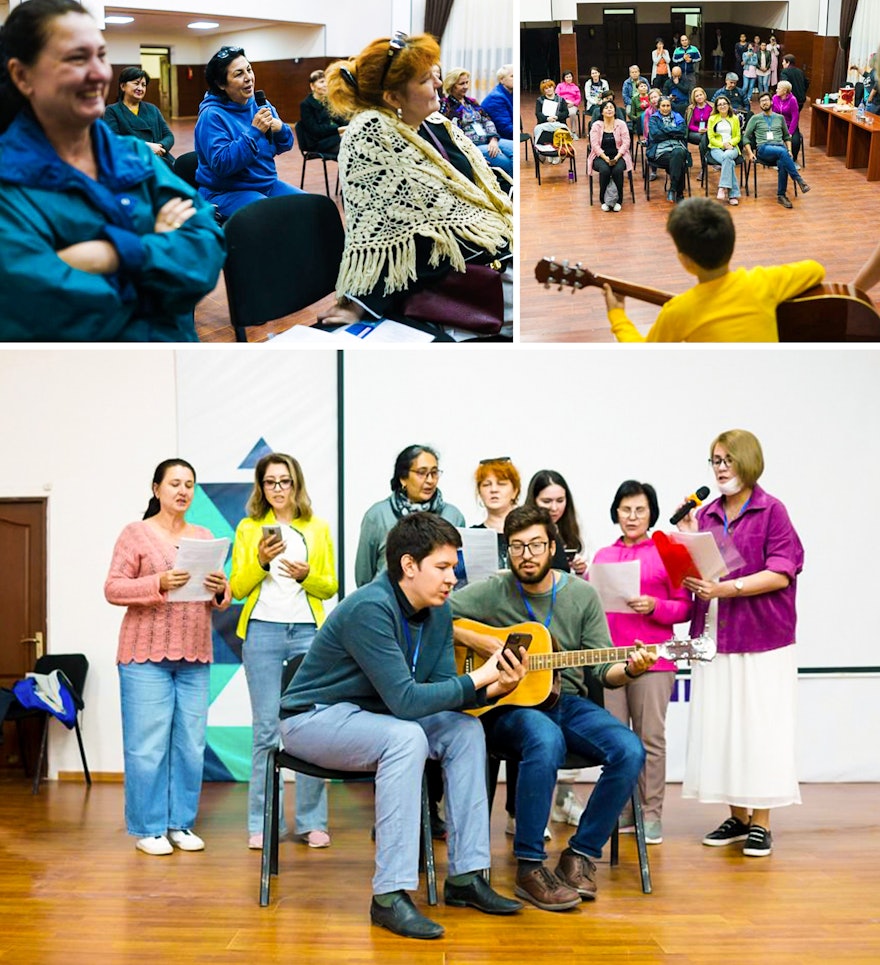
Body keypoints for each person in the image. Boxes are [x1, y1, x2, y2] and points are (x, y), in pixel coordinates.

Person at [280, 513, 525, 939]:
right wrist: (480, 677)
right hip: (314, 717)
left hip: (376, 716)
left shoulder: (437, 612)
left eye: (454, 566)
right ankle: (389, 896)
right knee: (406, 736)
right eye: (443, 567)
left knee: (464, 730)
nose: (453, 578)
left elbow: (440, 691)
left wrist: (496, 688)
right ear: (409, 566)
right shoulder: (369, 608)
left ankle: (467, 876)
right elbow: (407, 701)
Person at [451, 505, 656, 910]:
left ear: (553, 546)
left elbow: (602, 668)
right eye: (516, 546)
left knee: (629, 749)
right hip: (507, 708)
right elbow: (437, 616)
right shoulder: (493, 590)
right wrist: (479, 643)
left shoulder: (581, 595)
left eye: (535, 545)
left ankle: (579, 854)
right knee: (544, 739)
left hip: (569, 702)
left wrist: (630, 670)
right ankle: (530, 866)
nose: (526, 554)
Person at [0, 0, 224, 342]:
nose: (99, 73)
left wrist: (110, 254)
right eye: (77, 58)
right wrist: (159, 246)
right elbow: (47, 311)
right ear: (22, 75)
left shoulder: (132, 155)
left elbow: (206, 247)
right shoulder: (9, 185)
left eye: (101, 55)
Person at [314, 34, 513, 332]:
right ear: (393, 98)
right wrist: (359, 303)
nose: (437, 83)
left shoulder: (433, 125)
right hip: (463, 281)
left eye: (434, 74)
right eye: (425, 79)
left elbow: (475, 189)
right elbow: (397, 234)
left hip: (489, 253)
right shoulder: (372, 134)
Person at [676, 430, 804, 858]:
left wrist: (728, 590)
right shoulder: (707, 514)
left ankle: (762, 823)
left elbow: (782, 572)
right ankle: (739, 816)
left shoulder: (772, 511)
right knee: (724, 728)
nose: (720, 468)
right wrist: (687, 537)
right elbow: (704, 572)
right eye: (715, 460)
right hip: (716, 636)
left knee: (759, 729)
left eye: (728, 459)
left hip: (764, 637)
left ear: (748, 461)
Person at [104, 459, 231, 855]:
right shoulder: (136, 534)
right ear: (156, 488)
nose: (183, 491)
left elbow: (219, 600)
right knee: (147, 745)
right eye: (175, 483)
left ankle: (180, 824)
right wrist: (158, 582)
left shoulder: (204, 535)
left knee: (190, 745)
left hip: (194, 654)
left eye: (189, 484)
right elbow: (113, 588)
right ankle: (148, 827)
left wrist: (219, 588)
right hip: (144, 656)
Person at [229, 453, 338, 852]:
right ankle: (263, 823)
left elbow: (329, 587)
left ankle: (312, 822)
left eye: (285, 481)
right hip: (262, 632)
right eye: (270, 482)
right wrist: (260, 561)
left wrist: (307, 575)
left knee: (311, 727)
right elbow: (237, 588)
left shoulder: (317, 527)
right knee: (265, 731)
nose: (278, 489)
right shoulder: (248, 528)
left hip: (308, 633)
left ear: (296, 484)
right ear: (261, 487)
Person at [592, 481, 691, 844]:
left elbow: (686, 607)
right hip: (612, 660)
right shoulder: (602, 556)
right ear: (615, 512)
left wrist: (655, 606)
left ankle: (651, 815)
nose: (632, 517)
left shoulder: (669, 550)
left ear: (651, 513)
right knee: (617, 741)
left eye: (640, 510)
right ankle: (622, 811)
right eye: (625, 509)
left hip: (654, 660)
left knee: (649, 738)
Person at [603, 197, 825, 342]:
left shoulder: (678, 311)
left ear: (685, 261)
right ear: (731, 242)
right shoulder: (763, 281)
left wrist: (617, 315)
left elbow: (644, 359)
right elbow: (816, 269)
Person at [194, 45, 301, 220]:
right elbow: (222, 165)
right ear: (221, 84)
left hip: (267, 185)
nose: (248, 78)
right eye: (239, 74)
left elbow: (285, 145)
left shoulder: (260, 104)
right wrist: (254, 132)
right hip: (226, 192)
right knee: (270, 216)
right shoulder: (211, 116)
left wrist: (280, 128)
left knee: (309, 208)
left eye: (249, 70)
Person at [355, 445, 466, 588]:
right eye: (422, 473)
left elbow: (459, 573)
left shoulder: (452, 516)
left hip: (439, 604)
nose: (430, 480)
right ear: (403, 478)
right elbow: (364, 576)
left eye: (434, 473)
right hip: (390, 604)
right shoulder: (378, 515)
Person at [441, 68, 514, 176]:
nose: (466, 86)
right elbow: (450, 135)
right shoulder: (446, 106)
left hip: (489, 140)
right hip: (473, 147)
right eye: (461, 84)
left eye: (467, 82)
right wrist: (471, 156)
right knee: (506, 163)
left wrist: (493, 139)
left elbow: (487, 120)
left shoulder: (472, 102)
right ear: (452, 85)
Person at [743, 92, 810, 209]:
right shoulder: (755, 119)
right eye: (762, 101)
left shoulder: (780, 118)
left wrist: (789, 149)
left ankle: (781, 195)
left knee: (782, 161)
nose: (764, 103)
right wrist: (749, 153)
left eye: (766, 100)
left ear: (772, 102)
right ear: (760, 104)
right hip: (764, 149)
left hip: (780, 149)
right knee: (782, 153)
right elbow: (745, 137)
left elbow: (786, 137)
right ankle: (799, 179)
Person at [103, 66, 174, 166]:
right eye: (136, 84)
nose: (140, 88)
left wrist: (159, 147)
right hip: (132, 162)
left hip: (160, 157)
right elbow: (113, 140)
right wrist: (145, 147)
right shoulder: (112, 111)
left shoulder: (152, 109)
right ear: (123, 86)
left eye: (143, 85)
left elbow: (168, 135)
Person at [525, 470, 589, 576]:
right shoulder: (523, 529)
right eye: (546, 501)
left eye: (560, 501)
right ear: (534, 500)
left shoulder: (575, 527)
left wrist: (581, 569)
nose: (554, 508)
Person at [472, 456, 521, 569]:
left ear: (515, 491)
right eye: (486, 485)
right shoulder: (472, 536)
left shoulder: (530, 531)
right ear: (479, 492)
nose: (493, 490)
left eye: (501, 484)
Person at [588, 99, 633, 211]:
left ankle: (618, 200)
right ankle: (604, 200)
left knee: (617, 171)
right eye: (606, 108)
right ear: (602, 112)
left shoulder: (621, 124)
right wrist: (605, 158)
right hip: (600, 156)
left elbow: (626, 142)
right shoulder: (596, 125)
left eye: (611, 107)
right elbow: (594, 145)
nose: (609, 110)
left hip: (619, 155)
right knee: (605, 171)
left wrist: (617, 157)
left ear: (615, 110)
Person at [647, 95, 690, 203]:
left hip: (677, 147)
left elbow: (683, 132)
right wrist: (674, 132)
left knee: (678, 153)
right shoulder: (654, 118)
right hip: (660, 152)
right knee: (679, 161)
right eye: (663, 106)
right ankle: (679, 194)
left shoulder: (678, 116)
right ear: (658, 107)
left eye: (668, 106)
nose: (666, 108)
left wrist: (664, 129)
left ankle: (673, 189)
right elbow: (655, 135)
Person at [298, 68, 346, 154]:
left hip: (331, 137)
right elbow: (315, 130)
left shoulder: (328, 101)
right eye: (322, 82)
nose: (326, 85)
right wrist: (338, 130)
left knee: (353, 140)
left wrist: (349, 126)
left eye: (327, 81)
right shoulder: (306, 105)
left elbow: (339, 118)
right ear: (312, 86)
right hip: (317, 142)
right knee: (349, 148)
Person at [706, 94, 742, 205]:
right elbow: (711, 138)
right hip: (716, 148)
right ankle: (733, 195)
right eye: (719, 104)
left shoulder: (734, 118)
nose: (722, 106)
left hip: (732, 147)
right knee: (729, 162)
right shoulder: (712, 119)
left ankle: (722, 186)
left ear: (728, 105)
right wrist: (723, 145)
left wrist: (730, 143)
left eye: (724, 104)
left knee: (727, 156)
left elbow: (738, 136)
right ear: (716, 107)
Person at [534, 77, 572, 157]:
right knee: (538, 130)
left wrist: (557, 117)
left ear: (553, 87)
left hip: (559, 124)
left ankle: (559, 150)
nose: (549, 89)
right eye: (546, 88)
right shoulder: (540, 100)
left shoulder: (561, 99)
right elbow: (538, 113)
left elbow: (566, 112)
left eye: (550, 87)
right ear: (543, 90)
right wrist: (547, 118)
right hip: (545, 124)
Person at [771, 80, 801, 163]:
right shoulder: (775, 98)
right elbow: (772, 113)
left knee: (795, 141)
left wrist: (790, 132)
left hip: (789, 124)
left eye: (778, 88)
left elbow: (795, 117)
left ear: (784, 91)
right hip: (778, 124)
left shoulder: (792, 100)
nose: (776, 90)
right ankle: (776, 158)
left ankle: (792, 160)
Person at [481, 64, 514, 139]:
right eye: (512, 76)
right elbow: (505, 128)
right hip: (495, 138)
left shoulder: (511, 93)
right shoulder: (496, 98)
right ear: (501, 80)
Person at [685, 86, 712, 163]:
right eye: (697, 96)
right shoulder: (691, 108)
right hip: (694, 132)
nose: (699, 97)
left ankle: (704, 166)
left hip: (708, 131)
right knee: (704, 138)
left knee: (703, 141)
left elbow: (713, 122)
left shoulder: (711, 107)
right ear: (694, 98)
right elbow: (690, 125)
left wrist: (707, 129)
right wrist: (698, 130)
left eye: (701, 94)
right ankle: (707, 162)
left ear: (704, 95)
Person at [555, 70, 582, 135]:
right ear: (564, 78)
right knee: (556, 113)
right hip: (561, 104)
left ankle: (573, 132)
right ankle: (560, 131)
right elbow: (556, 95)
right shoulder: (560, 85)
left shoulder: (575, 87)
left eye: (570, 77)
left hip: (572, 105)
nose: (569, 78)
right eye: (567, 77)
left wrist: (573, 103)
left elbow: (578, 98)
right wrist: (564, 102)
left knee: (572, 113)